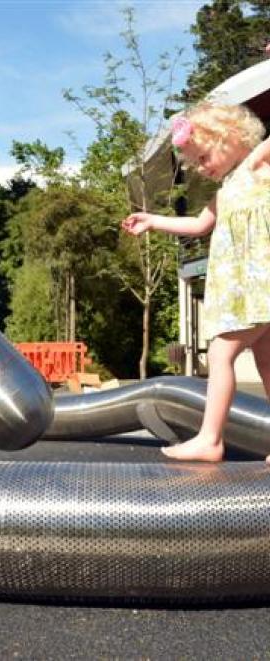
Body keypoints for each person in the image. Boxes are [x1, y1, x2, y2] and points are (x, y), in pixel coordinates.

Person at [122, 102, 270, 462]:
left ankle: (210, 439)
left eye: (203, 158)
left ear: (230, 136)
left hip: (259, 284)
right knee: (267, 361)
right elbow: (198, 225)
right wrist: (153, 221)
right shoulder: (227, 190)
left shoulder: (260, 166)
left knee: (221, 353)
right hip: (246, 292)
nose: (202, 170)